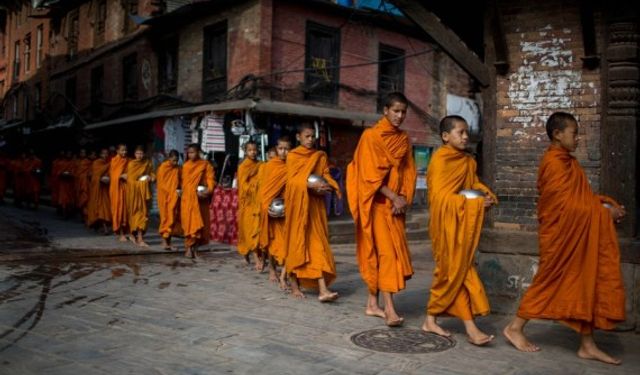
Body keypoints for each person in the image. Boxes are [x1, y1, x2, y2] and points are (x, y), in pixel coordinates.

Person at [503, 112, 626, 365]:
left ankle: (587, 344)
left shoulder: (570, 163)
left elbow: (581, 200)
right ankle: (514, 328)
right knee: (547, 281)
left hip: (576, 235)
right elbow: (564, 206)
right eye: (574, 133)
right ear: (558, 134)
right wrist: (604, 213)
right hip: (560, 237)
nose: (578, 138)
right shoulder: (553, 163)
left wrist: (603, 208)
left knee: (586, 280)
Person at [423, 115, 497, 345]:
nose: (466, 137)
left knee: (457, 273)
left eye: (467, 132)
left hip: (459, 227)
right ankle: (470, 328)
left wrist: (485, 194)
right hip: (444, 227)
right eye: (460, 132)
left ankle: (431, 319)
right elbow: (439, 199)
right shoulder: (440, 160)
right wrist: (473, 204)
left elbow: (471, 185)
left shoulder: (467, 162)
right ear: (446, 136)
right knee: (455, 273)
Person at [346, 92, 417, 326]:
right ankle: (389, 309)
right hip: (376, 205)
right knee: (386, 254)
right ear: (385, 110)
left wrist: (404, 197)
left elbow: (408, 171)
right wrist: (393, 196)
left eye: (403, 112)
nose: (399, 116)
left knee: (384, 253)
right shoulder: (371, 136)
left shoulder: (404, 139)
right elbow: (369, 177)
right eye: (395, 111)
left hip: (395, 207)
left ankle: (371, 304)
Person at [284, 122, 340, 302]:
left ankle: (322, 290)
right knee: (297, 244)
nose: (310, 140)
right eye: (306, 136)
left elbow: (325, 174)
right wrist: (310, 184)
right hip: (299, 207)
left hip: (315, 208)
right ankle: (296, 284)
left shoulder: (319, 156)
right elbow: (292, 182)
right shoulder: (293, 156)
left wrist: (329, 185)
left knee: (317, 247)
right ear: (298, 137)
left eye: (312, 136)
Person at [258, 138, 291, 290]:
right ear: (276, 149)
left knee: (286, 243)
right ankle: (272, 268)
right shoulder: (269, 166)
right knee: (272, 242)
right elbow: (264, 190)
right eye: (281, 148)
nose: (284, 152)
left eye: (287, 148)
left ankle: (286, 273)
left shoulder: (291, 166)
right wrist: (266, 207)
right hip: (271, 209)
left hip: (285, 210)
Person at [181, 143, 215, 258]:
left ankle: (195, 249)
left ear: (199, 152)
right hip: (188, 200)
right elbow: (185, 184)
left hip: (201, 199)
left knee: (200, 224)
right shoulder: (185, 166)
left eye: (193, 152)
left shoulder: (205, 164)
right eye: (189, 153)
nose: (191, 155)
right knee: (189, 223)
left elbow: (210, 179)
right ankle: (189, 247)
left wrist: (208, 190)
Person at [237, 140, 264, 270]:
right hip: (247, 203)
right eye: (250, 150)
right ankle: (255, 258)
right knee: (249, 230)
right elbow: (242, 186)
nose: (253, 152)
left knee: (257, 230)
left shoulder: (260, 165)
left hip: (258, 202)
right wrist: (254, 187)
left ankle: (254, 255)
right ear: (245, 151)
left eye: (254, 150)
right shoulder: (243, 166)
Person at [125, 146, 155, 247]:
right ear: (134, 154)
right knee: (135, 214)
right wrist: (141, 182)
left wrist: (150, 178)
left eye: (141, 153)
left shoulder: (147, 162)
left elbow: (152, 173)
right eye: (138, 153)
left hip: (144, 193)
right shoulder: (131, 164)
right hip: (134, 194)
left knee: (143, 215)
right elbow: (130, 181)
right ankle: (136, 236)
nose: (140, 156)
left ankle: (139, 237)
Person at [157, 150, 182, 250]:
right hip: (164, 197)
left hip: (173, 197)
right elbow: (161, 184)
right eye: (173, 160)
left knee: (171, 218)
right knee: (165, 218)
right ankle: (164, 242)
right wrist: (172, 191)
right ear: (169, 158)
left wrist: (179, 190)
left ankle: (168, 242)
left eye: (177, 161)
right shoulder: (163, 167)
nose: (175, 163)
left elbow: (179, 181)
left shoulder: (177, 169)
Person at [87, 148, 112, 234]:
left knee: (105, 208)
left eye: (106, 154)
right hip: (97, 189)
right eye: (103, 154)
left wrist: (108, 179)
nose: (105, 155)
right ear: (100, 154)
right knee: (100, 208)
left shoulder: (108, 164)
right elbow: (94, 176)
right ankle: (104, 228)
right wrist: (100, 179)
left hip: (105, 189)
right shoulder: (96, 163)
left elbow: (110, 174)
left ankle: (101, 226)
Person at [109, 144, 129, 242]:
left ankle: (126, 232)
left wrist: (128, 175)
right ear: (117, 151)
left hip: (126, 188)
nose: (124, 152)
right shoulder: (114, 161)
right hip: (117, 189)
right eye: (122, 150)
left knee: (126, 210)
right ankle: (121, 233)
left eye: (125, 150)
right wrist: (120, 176)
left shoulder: (128, 161)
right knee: (119, 210)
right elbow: (113, 176)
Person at [74, 149, 92, 222]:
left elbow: (90, 172)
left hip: (85, 184)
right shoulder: (76, 162)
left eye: (84, 152)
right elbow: (74, 171)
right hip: (78, 183)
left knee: (85, 200)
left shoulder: (88, 162)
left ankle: (86, 217)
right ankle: (82, 216)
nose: (83, 154)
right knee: (80, 200)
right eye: (81, 152)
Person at [58, 150, 77, 218]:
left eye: (70, 154)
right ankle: (64, 213)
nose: (69, 155)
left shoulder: (73, 163)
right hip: (63, 184)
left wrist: (70, 174)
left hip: (70, 184)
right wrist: (63, 174)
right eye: (67, 154)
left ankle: (69, 212)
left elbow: (75, 173)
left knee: (70, 198)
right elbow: (58, 173)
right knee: (63, 199)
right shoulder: (61, 163)